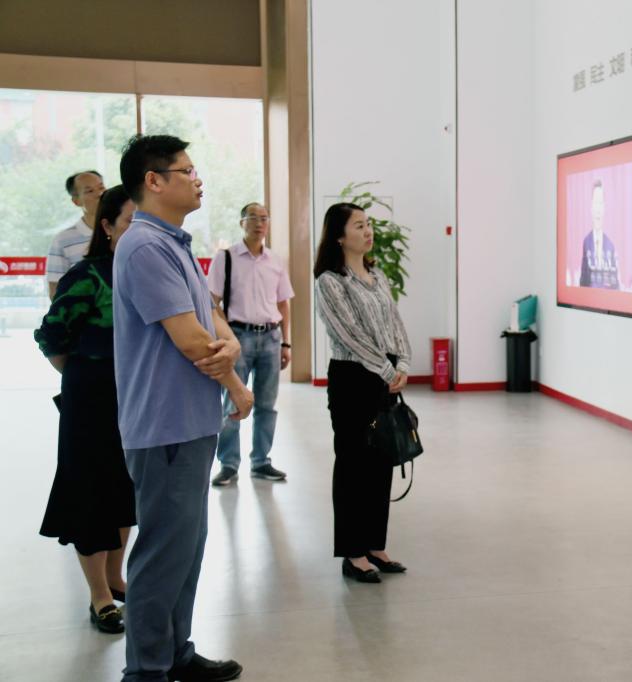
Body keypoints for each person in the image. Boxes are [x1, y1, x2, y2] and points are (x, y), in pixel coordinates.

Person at [114, 134, 253, 682]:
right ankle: (146, 670)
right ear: (154, 181)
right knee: (162, 553)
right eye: (187, 171)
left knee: (186, 548)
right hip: (164, 426)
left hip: (190, 421)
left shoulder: (173, 243)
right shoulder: (144, 247)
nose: (198, 180)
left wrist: (232, 345)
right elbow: (193, 341)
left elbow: (210, 317)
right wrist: (235, 380)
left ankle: (175, 653)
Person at [34, 185, 137, 635]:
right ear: (108, 226)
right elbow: (51, 336)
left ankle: (116, 578)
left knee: (125, 490)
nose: (140, 230)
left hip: (135, 397)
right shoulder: (88, 274)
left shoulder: (146, 272)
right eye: (131, 221)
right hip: (91, 399)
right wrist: (83, 375)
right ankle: (100, 597)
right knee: (92, 493)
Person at [314, 202, 411, 584]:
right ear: (339, 236)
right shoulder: (330, 282)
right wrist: (387, 369)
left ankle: (375, 545)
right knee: (353, 463)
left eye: (368, 224)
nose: (367, 231)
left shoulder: (377, 275)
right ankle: (353, 553)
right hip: (353, 379)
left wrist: (403, 362)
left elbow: (395, 323)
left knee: (381, 460)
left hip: (385, 376)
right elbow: (349, 334)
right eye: (359, 225)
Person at [207, 201, 295, 486]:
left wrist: (286, 343)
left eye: (264, 218)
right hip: (238, 337)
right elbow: (212, 302)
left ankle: (261, 462)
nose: (260, 223)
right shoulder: (226, 258)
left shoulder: (275, 261)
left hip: (271, 337)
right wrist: (226, 337)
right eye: (254, 217)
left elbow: (283, 304)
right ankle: (228, 464)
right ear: (242, 222)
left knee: (267, 405)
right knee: (232, 402)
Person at [47, 170, 106, 299]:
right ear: (76, 201)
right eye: (90, 191)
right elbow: (55, 291)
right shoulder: (63, 240)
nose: (99, 194)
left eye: (101, 188)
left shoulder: (122, 230)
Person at [579, 180, 620, 290]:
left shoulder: (610, 245)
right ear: (591, 208)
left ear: (604, 208)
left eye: (600, 203)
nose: (598, 210)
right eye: (595, 203)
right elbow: (583, 281)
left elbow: (615, 284)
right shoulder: (586, 241)